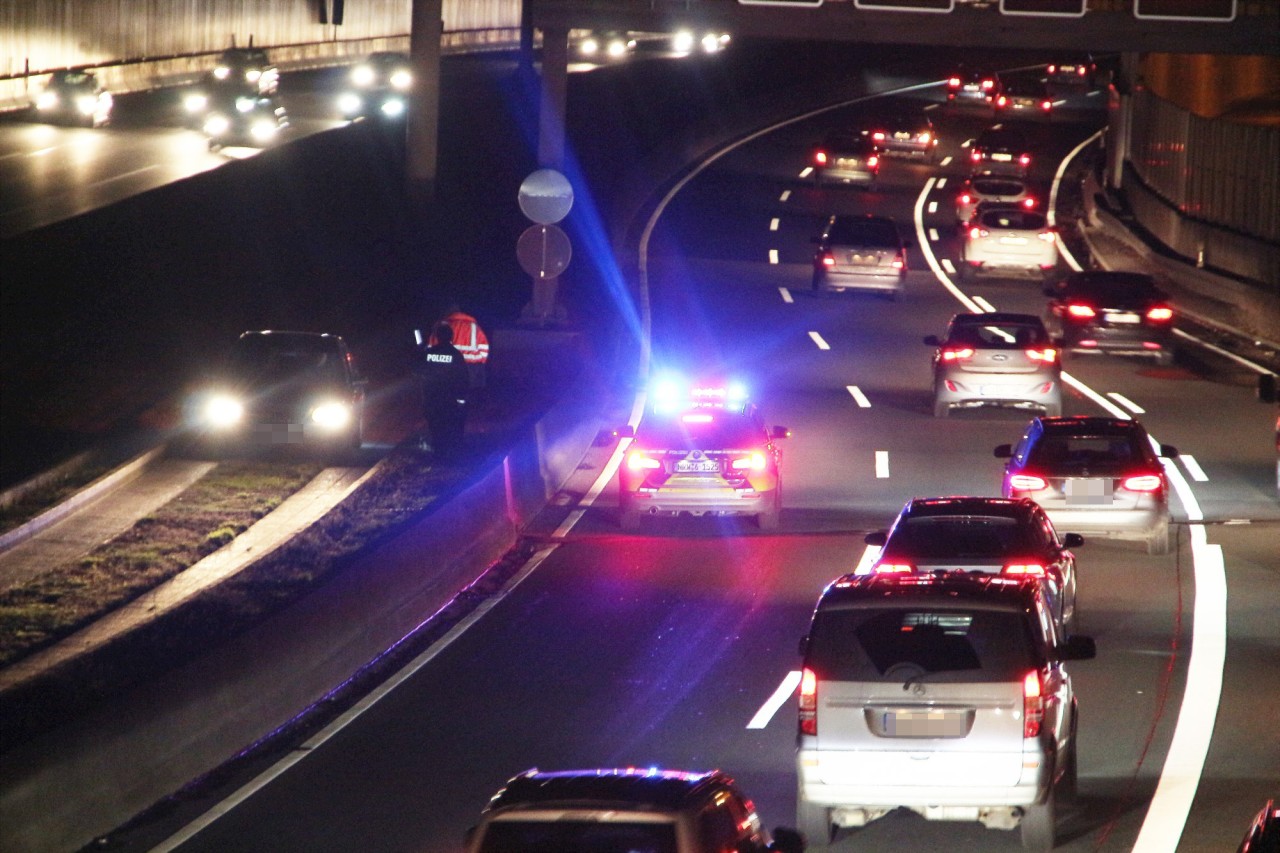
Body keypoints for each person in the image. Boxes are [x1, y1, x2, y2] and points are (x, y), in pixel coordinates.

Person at [416, 321, 469, 458]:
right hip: (449, 401)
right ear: (451, 337)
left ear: (437, 336)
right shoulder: (456, 355)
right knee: (450, 429)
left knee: (436, 429)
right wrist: (462, 401)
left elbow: (418, 371)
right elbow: (463, 378)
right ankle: (449, 456)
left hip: (431, 399)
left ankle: (439, 455)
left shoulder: (429, 353)